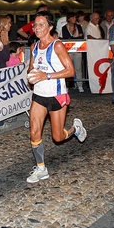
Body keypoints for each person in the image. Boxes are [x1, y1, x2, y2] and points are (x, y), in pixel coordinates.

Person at [26, 10, 87, 183]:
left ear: (50, 27)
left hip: (57, 95)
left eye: (41, 24)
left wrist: (46, 76)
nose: (37, 28)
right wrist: (31, 75)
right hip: (39, 95)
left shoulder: (57, 46)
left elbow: (70, 71)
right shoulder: (34, 47)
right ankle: (40, 168)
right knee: (34, 131)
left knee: (58, 137)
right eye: (35, 25)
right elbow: (31, 69)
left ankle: (76, 129)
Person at [61, 11, 84, 92]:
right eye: (73, 17)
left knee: (78, 68)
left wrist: (74, 38)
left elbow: (81, 37)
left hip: (78, 49)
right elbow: (66, 38)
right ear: (69, 18)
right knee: (68, 68)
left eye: (75, 17)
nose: (75, 19)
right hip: (68, 50)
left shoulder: (78, 26)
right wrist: (77, 37)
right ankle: (67, 86)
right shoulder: (64, 27)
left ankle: (80, 85)